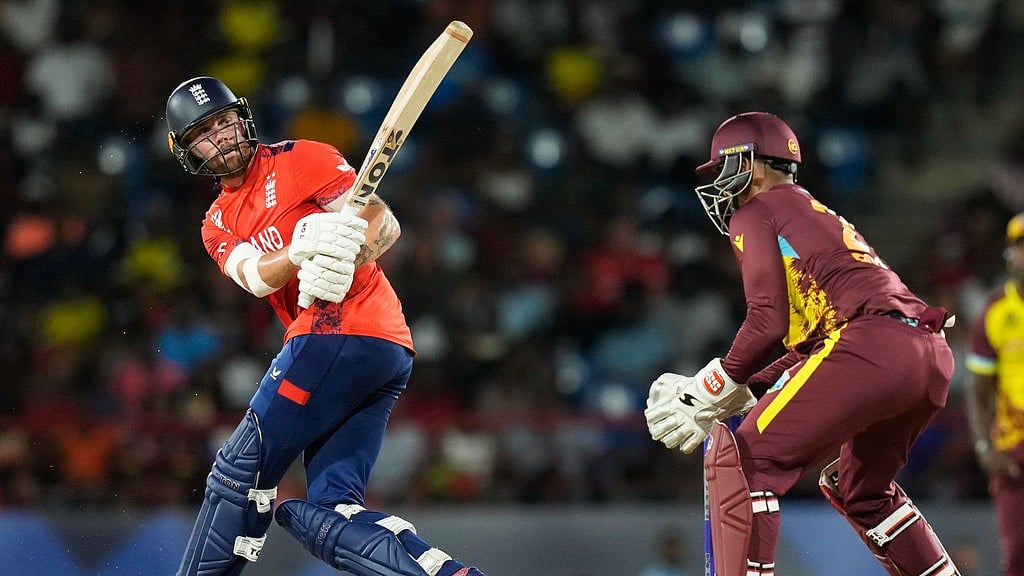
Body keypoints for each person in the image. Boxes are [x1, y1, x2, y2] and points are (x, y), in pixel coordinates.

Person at [165, 76, 484, 576]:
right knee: (333, 511)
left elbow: (383, 222)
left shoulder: (302, 157)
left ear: (242, 118)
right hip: (380, 351)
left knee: (237, 474)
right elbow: (252, 275)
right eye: (205, 132)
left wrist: (351, 252)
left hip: (337, 331)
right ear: (186, 150)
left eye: (225, 121)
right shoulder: (216, 222)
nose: (222, 136)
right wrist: (301, 251)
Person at [644, 111, 960, 576]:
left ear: (748, 163)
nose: (719, 187)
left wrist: (710, 386)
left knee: (747, 461)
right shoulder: (811, 213)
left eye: (722, 169)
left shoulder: (757, 211)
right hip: (924, 352)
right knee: (862, 492)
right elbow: (819, 343)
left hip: (870, 345)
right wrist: (749, 383)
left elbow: (767, 320)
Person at [965, 212, 1024, 576]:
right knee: (1017, 556)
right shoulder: (995, 312)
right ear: (1009, 253)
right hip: (1015, 452)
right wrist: (985, 447)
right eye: (1021, 246)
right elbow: (978, 389)